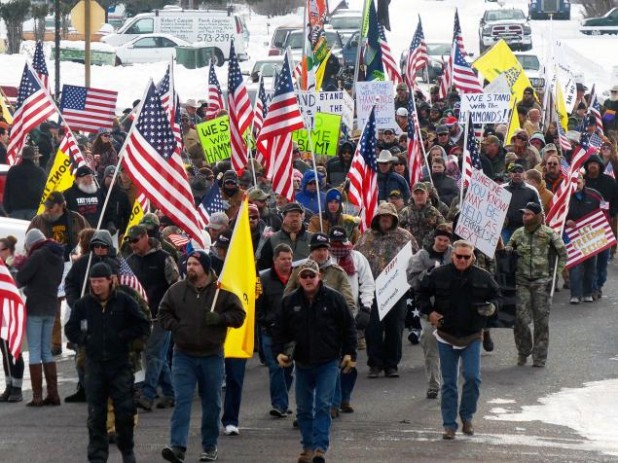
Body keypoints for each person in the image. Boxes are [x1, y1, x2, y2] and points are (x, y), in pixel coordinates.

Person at [159, 250, 245, 463]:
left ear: (205, 268)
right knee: (182, 401)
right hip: (183, 355)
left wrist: (220, 318)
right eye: (188, 264)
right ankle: (177, 446)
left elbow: (239, 316)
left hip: (211, 355)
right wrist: (176, 327)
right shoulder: (176, 290)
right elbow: (163, 312)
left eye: (195, 264)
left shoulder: (221, 291)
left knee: (211, 404)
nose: (190, 268)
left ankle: (209, 447)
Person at [272, 259, 357, 463]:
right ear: (299, 278)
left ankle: (320, 448)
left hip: (328, 362)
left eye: (312, 275)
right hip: (302, 363)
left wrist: (350, 354)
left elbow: (348, 327)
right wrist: (278, 352)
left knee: (323, 405)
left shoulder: (335, 299)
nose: (308, 279)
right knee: (302, 408)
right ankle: (307, 447)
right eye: (304, 276)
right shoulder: (289, 301)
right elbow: (278, 330)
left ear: (319, 276)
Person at [65, 262, 150, 463]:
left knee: (124, 413)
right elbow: (70, 328)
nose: (96, 285)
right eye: (93, 282)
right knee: (96, 416)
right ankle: (97, 456)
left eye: (100, 281)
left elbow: (142, 324)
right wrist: (84, 339)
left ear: (110, 281)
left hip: (120, 364)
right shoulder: (83, 304)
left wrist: (123, 337)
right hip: (95, 366)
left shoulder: (125, 301)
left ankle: (127, 451)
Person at [417, 240, 501, 439]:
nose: (462, 260)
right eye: (459, 256)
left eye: (467, 257)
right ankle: (449, 425)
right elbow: (421, 293)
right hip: (446, 334)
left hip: (472, 335)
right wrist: (429, 312)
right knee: (449, 383)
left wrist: (493, 307)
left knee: (473, 378)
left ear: (473, 257)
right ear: (452, 256)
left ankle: (467, 417)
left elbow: (497, 296)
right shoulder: (437, 274)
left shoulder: (484, 276)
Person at [355, 202, 417, 378]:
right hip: (372, 291)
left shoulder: (405, 237)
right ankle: (375, 364)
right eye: (382, 216)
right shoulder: (366, 237)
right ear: (377, 218)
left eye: (388, 216)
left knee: (395, 328)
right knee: (372, 329)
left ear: (394, 218)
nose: (385, 219)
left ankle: (391, 364)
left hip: (397, 291)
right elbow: (356, 259)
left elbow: (416, 260)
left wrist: (411, 282)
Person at [28, 191, 90, 356]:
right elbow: (29, 243)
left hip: (72, 265)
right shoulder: (38, 221)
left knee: (74, 302)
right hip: (49, 268)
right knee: (52, 306)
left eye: (51, 207)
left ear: (62, 205)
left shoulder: (76, 219)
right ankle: (54, 344)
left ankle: (74, 339)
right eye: (46, 206)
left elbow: (89, 237)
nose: (47, 210)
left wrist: (83, 255)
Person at [127, 225, 179, 412]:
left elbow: (176, 286)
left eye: (135, 240)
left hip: (161, 315)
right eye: (130, 241)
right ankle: (171, 393)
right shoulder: (130, 261)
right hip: (141, 316)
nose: (133, 245)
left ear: (145, 237)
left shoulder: (164, 258)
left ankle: (148, 395)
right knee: (159, 356)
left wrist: (174, 311)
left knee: (153, 354)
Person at [63, 229, 119, 403]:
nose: (100, 249)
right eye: (96, 246)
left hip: (108, 316)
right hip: (85, 315)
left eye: (103, 246)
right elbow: (70, 282)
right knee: (81, 352)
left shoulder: (117, 264)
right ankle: (84, 387)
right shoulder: (83, 263)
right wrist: (74, 302)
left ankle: (105, 389)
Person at [507, 202, 566, 367]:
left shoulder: (548, 234)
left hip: (542, 282)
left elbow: (562, 253)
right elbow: (508, 248)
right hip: (522, 281)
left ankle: (539, 356)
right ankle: (523, 350)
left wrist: (557, 275)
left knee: (541, 321)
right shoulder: (518, 233)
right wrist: (509, 250)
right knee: (520, 319)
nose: (525, 217)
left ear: (538, 216)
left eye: (529, 214)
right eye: (524, 214)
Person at [328, 226, 375, 413]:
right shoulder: (323, 258)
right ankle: (333, 401)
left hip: (351, 317)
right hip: (327, 318)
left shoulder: (357, 258)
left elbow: (368, 283)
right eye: (334, 243)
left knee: (350, 360)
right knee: (331, 361)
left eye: (341, 242)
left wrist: (366, 307)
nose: (337, 246)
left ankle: (345, 398)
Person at [16, 229, 65, 406]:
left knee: (35, 351)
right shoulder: (58, 256)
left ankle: (37, 396)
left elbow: (20, 278)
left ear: (31, 244)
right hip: (51, 306)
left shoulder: (37, 255)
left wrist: (19, 265)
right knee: (46, 350)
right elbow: (56, 281)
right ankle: (54, 394)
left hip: (35, 306)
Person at [408, 226, 453, 399]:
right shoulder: (421, 256)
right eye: (439, 239)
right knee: (430, 346)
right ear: (434, 239)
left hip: (450, 309)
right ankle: (433, 384)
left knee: (451, 348)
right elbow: (411, 279)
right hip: (429, 309)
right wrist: (427, 274)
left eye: (446, 241)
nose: (442, 243)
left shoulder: (454, 255)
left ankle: (449, 383)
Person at [256, 244, 295, 418]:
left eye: (289, 259)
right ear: (274, 260)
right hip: (270, 333)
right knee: (276, 367)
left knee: (288, 369)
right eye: (283, 259)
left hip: (292, 334)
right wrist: (267, 321)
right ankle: (279, 405)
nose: (287, 262)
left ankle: (282, 398)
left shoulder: (299, 277)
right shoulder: (262, 280)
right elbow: (256, 308)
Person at [565, 175, 603, 304]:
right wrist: (566, 222)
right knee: (575, 267)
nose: (577, 185)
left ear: (584, 182)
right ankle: (575, 295)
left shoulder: (593, 198)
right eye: (574, 183)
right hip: (573, 238)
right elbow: (559, 218)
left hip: (590, 238)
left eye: (579, 182)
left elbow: (601, 215)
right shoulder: (566, 200)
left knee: (590, 267)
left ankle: (587, 293)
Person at [0, 235, 25, 402]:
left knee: (14, 351)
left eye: (1, 249)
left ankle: (17, 387)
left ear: (8, 250)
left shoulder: (14, 269)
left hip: (13, 316)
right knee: (5, 352)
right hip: (2, 316)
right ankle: (9, 385)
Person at [258, 202, 313, 270]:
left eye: (297, 215)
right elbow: (264, 267)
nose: (295, 219)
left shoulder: (312, 239)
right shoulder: (272, 240)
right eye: (291, 216)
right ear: (284, 217)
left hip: (307, 278)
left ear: (302, 217)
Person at [3, 146, 46, 220]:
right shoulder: (40, 172)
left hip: (16, 210)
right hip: (34, 209)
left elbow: (7, 191)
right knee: (32, 231)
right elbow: (44, 192)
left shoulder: (13, 171)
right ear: (33, 158)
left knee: (16, 231)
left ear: (22, 157)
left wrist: (7, 209)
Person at [501, 164, 541, 243]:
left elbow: (539, 212)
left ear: (524, 174)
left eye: (520, 171)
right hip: (506, 228)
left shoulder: (532, 190)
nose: (517, 173)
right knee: (504, 251)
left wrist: (540, 229)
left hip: (525, 228)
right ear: (510, 174)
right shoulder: (502, 189)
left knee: (523, 252)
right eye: (514, 171)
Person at [399, 182, 445, 248]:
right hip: (410, 250)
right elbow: (397, 231)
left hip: (428, 251)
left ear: (427, 194)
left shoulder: (434, 212)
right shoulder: (405, 212)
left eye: (422, 193)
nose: (419, 196)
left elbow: (443, 230)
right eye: (416, 193)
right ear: (412, 195)